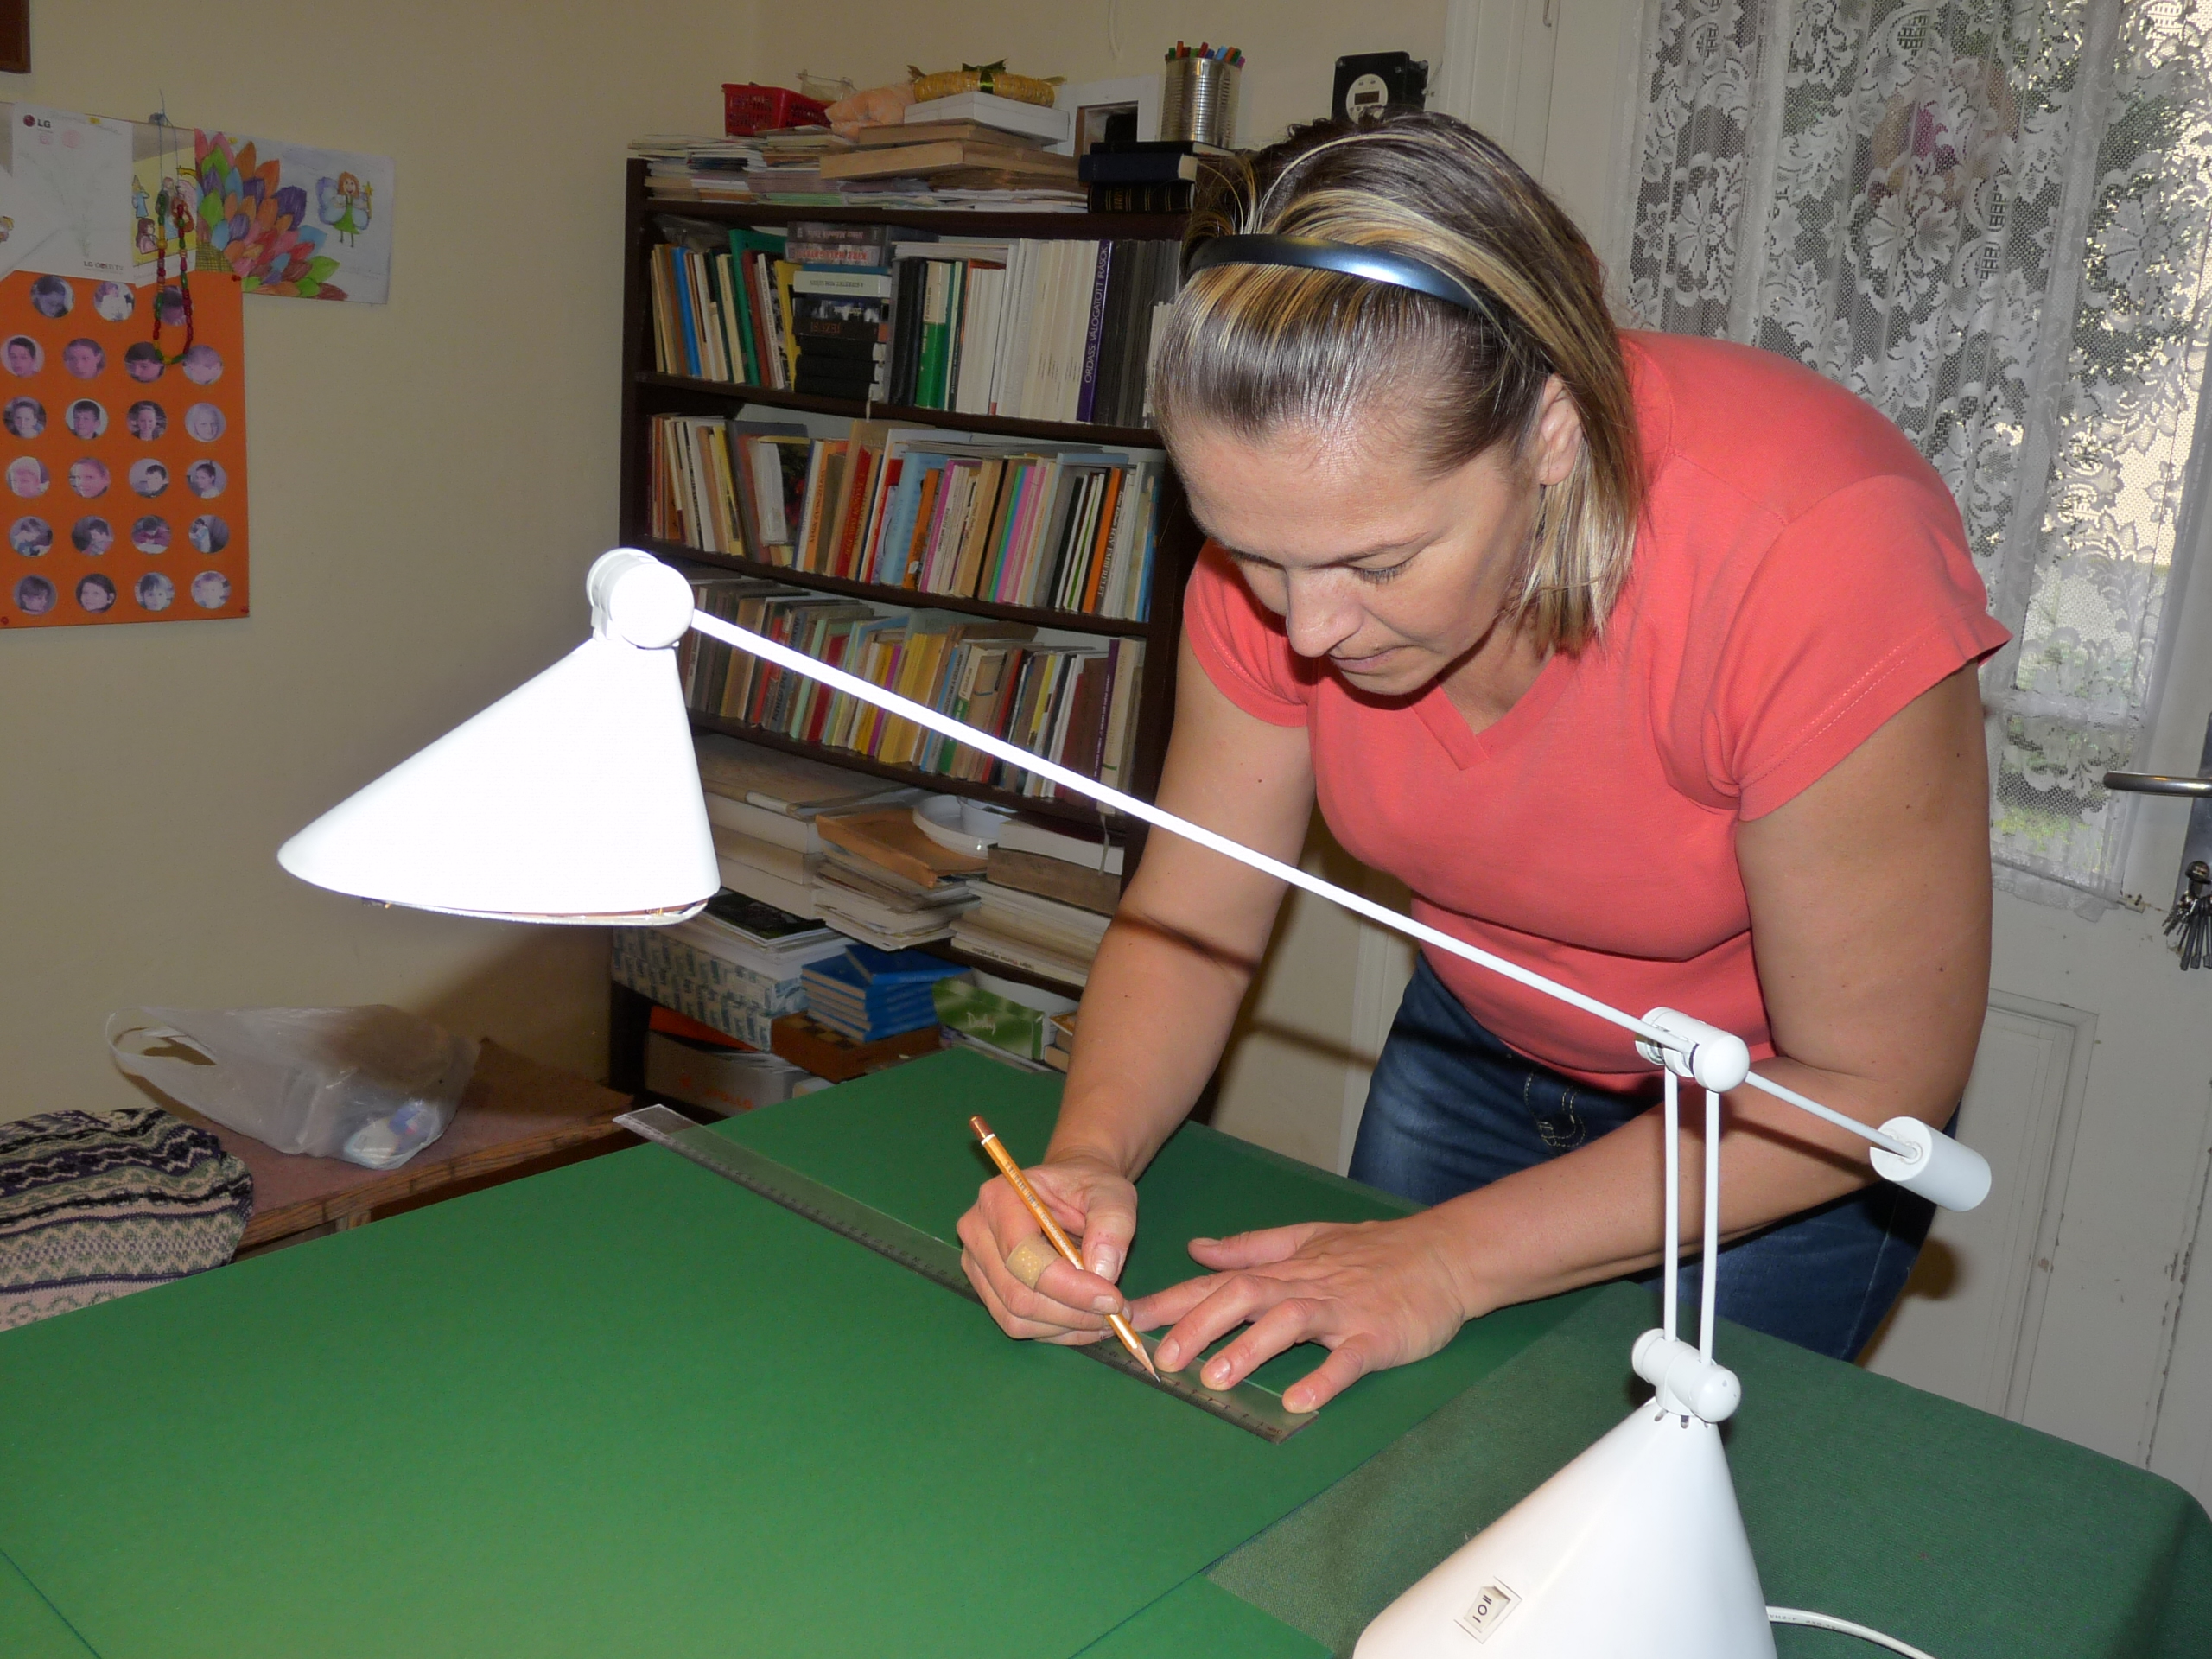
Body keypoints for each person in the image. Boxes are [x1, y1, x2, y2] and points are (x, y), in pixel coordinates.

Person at [957, 114, 2007, 1414]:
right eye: (1254, 556)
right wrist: (1087, 1154)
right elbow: (1195, 913)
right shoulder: (1293, 537)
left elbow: (1872, 1085)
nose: (1306, 630)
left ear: (1551, 438)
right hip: (1472, 1042)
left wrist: (1447, 1261)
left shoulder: (1816, 551)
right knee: (1385, 1460)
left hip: (1771, 1121)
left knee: (1664, 1498)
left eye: (1378, 564)